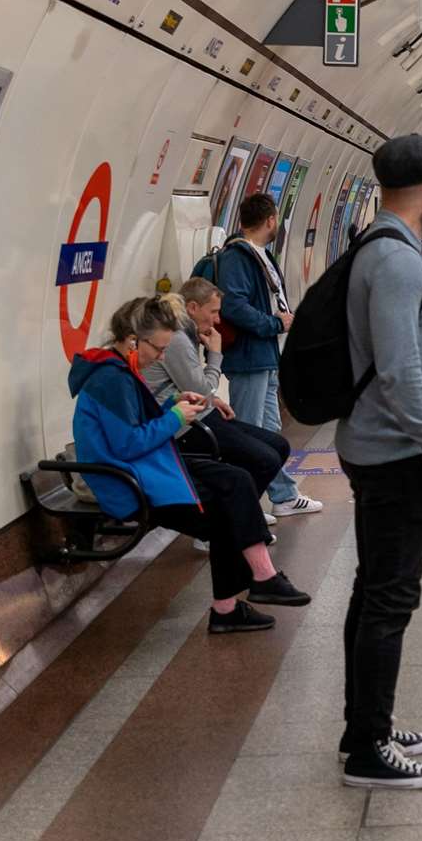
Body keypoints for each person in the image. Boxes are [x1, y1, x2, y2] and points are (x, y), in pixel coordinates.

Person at [69, 297, 310, 632]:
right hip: (128, 482)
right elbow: (128, 444)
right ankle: (243, 595)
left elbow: (131, 427)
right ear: (133, 340)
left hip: (146, 467)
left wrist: (172, 403)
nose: (162, 356)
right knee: (231, 500)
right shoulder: (111, 379)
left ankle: (250, 589)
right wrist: (175, 418)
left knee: (236, 484)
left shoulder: (116, 370)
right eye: (159, 348)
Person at [336, 134, 422, 790]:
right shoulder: (400, 263)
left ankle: (367, 726)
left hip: (377, 448)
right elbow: (399, 369)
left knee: (372, 592)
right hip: (395, 456)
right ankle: (369, 751)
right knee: (389, 601)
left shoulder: (380, 246)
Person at [144, 283, 288, 544]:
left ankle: (239, 516)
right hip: (184, 427)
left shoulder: (184, 334)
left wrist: (214, 398)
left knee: (278, 446)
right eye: (213, 312)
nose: (218, 320)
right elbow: (201, 387)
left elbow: (199, 389)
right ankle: (223, 526)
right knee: (265, 459)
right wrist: (216, 353)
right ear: (192, 308)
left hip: (198, 413)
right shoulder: (176, 338)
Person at [216, 193, 322, 518]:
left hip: (266, 355)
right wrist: (273, 323)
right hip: (249, 357)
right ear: (271, 220)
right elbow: (232, 305)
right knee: (248, 431)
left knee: (269, 430)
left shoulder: (261, 255)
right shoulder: (238, 257)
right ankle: (244, 502)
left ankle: (283, 494)